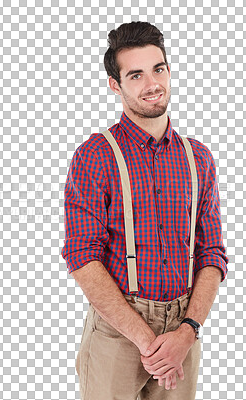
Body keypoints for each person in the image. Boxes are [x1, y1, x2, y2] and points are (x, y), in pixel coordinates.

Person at [61, 21, 229, 400]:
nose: (152, 83)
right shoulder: (95, 156)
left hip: (183, 331)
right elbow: (81, 257)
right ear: (115, 85)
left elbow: (212, 254)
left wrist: (186, 332)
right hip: (117, 332)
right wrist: (149, 341)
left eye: (158, 69)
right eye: (135, 74)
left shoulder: (198, 157)